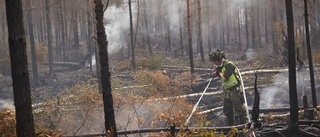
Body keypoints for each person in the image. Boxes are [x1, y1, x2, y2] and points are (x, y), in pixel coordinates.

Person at [209, 49, 248, 125]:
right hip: (227, 91)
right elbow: (221, 77)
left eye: (215, 62)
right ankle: (231, 125)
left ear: (219, 60)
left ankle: (245, 125)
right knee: (227, 109)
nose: (214, 63)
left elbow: (225, 77)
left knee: (239, 108)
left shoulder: (229, 65)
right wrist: (217, 72)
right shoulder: (222, 66)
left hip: (234, 90)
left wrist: (219, 72)